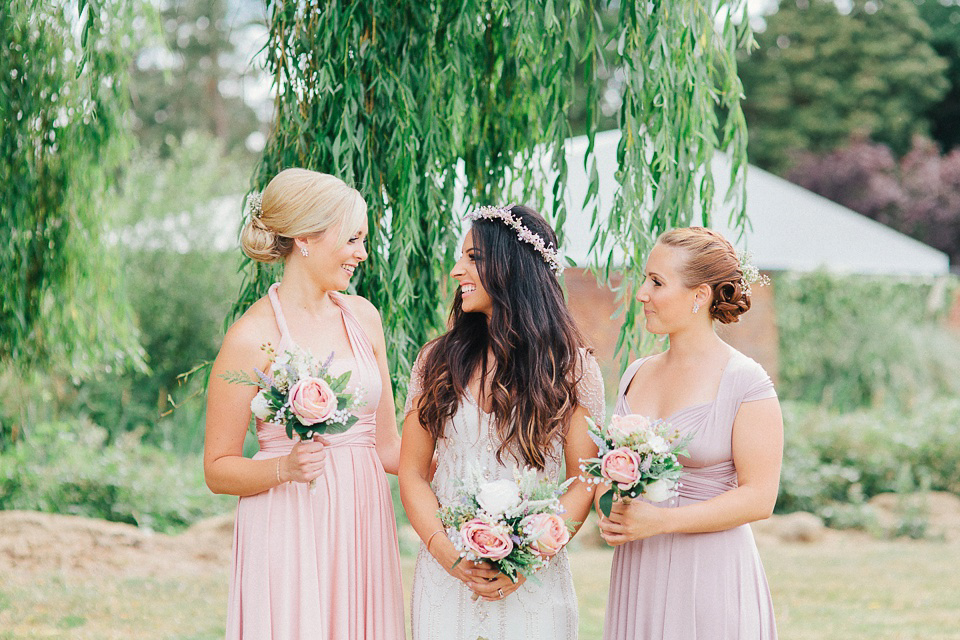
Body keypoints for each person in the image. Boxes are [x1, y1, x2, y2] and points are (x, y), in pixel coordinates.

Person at [203, 168, 405, 639]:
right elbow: (217, 468)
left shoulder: (363, 317)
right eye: (353, 239)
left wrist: (462, 460)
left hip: (362, 519)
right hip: (289, 521)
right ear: (306, 238)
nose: (362, 254)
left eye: (364, 240)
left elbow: (388, 446)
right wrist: (285, 469)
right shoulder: (250, 337)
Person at [398, 204, 606, 640]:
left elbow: (582, 480)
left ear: (513, 265)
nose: (457, 271)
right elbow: (414, 473)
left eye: (473, 257)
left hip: (534, 582)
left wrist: (526, 560)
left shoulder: (572, 368)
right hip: (446, 581)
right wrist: (449, 555)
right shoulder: (435, 362)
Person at [598, 226, 783, 639]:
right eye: (645, 278)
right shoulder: (636, 373)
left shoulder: (745, 382)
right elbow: (609, 472)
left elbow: (760, 497)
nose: (642, 293)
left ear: (699, 295)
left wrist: (661, 522)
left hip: (711, 574)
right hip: (639, 569)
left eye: (657, 282)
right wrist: (609, 507)